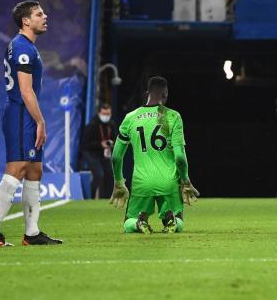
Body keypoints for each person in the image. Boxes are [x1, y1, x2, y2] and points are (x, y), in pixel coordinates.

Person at [0, 0, 62, 246]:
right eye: (39, 14)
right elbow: (25, 90)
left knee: (34, 170)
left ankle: (32, 233)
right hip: (21, 114)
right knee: (17, 168)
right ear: (26, 21)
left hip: (23, 114)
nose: (45, 16)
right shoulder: (22, 47)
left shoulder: (25, 46)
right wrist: (40, 121)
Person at [109, 76, 199, 234]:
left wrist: (118, 182)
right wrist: (185, 181)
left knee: (128, 222)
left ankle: (138, 223)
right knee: (178, 220)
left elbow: (116, 157)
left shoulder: (130, 117)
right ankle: (171, 220)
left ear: (147, 94)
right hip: (169, 182)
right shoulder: (173, 116)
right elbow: (179, 157)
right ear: (165, 94)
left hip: (142, 183)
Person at [80, 103, 117, 199]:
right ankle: (90, 197)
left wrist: (112, 143)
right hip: (91, 153)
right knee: (99, 174)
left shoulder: (111, 125)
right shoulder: (91, 125)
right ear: (99, 113)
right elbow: (84, 144)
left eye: (108, 114)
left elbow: (115, 138)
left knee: (110, 174)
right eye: (104, 114)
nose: (106, 116)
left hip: (104, 154)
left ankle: (106, 199)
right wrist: (100, 144)